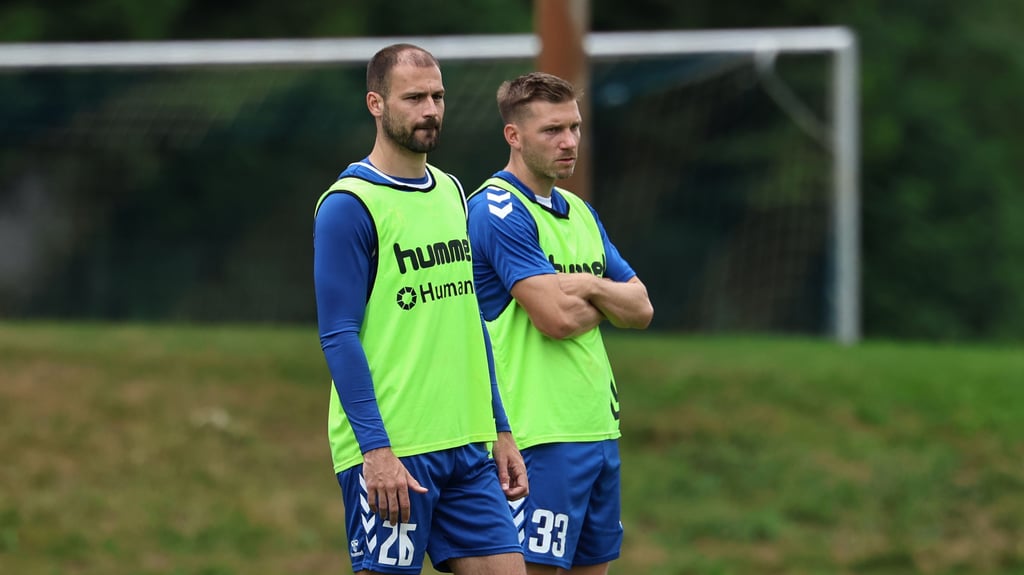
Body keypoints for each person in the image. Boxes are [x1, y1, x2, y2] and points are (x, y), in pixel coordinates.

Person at [313, 43, 528, 575]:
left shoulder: (453, 192)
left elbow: (468, 320)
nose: (430, 109)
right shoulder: (349, 205)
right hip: (395, 453)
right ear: (376, 104)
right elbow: (338, 334)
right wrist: (376, 450)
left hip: (466, 447)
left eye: (437, 96)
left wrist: (499, 427)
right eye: (414, 97)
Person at [467, 72, 654, 575]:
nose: (569, 141)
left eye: (574, 127)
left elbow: (641, 309)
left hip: (597, 428)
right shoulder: (498, 210)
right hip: (538, 436)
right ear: (514, 136)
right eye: (552, 130)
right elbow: (553, 318)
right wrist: (606, 301)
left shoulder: (581, 212)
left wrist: (588, 286)